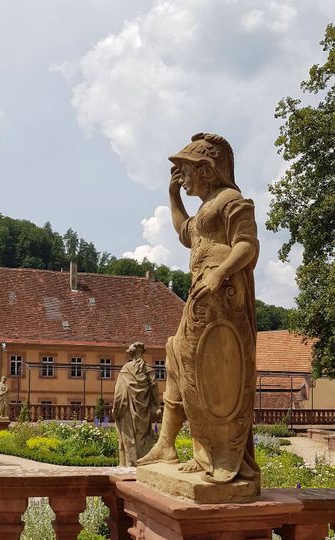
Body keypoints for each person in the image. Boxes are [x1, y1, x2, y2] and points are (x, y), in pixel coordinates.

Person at [138, 133, 259, 484]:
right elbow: (184, 231)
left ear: (206, 170)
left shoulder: (231, 200)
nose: (183, 176)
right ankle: (167, 444)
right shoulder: (207, 207)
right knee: (178, 359)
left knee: (211, 373)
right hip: (201, 300)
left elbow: (247, 245)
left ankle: (217, 454)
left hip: (223, 302)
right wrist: (173, 195)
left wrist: (220, 272)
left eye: (187, 170)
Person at [113, 342, 160, 466]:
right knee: (143, 437)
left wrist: (116, 409)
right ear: (142, 353)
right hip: (143, 411)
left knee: (129, 436)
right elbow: (155, 388)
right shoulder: (148, 369)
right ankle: (142, 463)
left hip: (127, 409)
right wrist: (157, 405)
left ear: (131, 353)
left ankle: (129, 463)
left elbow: (118, 392)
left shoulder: (125, 370)